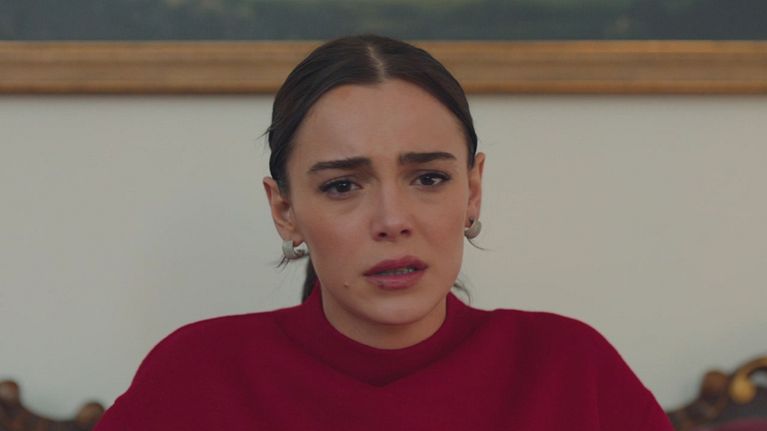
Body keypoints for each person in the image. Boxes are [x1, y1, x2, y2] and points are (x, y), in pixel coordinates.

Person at [94, 34, 674, 430]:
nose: (393, 220)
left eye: (428, 178)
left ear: (472, 191)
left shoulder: (572, 370)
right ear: (285, 210)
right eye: (342, 185)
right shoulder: (194, 376)